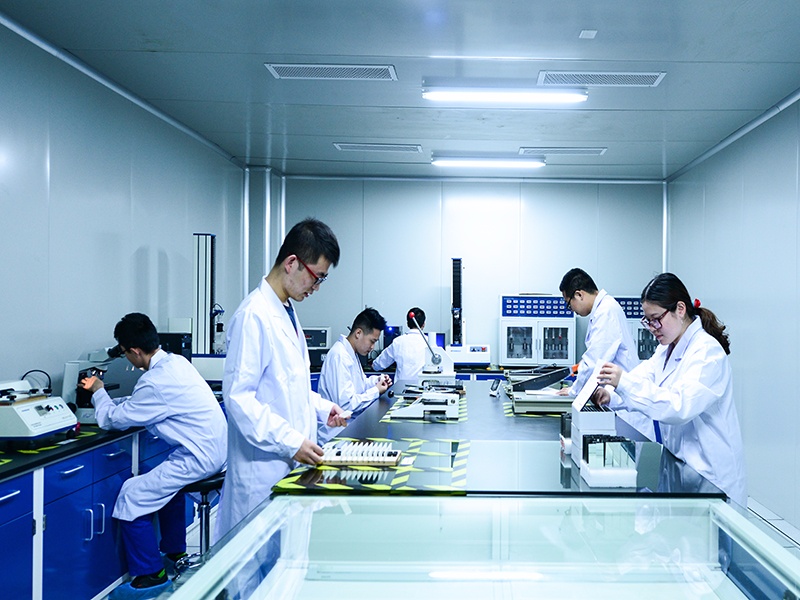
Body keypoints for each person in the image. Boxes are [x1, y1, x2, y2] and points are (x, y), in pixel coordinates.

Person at [215, 218, 350, 539]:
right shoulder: (253, 315)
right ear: (292, 263)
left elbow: (288, 385)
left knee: (286, 560)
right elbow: (239, 400)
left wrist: (322, 408)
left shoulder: (286, 310)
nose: (316, 288)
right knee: (256, 564)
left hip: (287, 466)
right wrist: (291, 442)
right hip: (261, 474)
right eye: (316, 277)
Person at [79, 313, 227, 599]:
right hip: (215, 452)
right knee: (166, 488)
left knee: (131, 495)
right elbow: (144, 402)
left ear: (135, 351)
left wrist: (98, 391)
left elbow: (111, 420)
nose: (126, 358)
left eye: (125, 353)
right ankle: (175, 552)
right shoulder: (176, 362)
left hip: (198, 457)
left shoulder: (154, 382)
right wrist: (119, 401)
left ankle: (150, 576)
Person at [592, 273, 746, 506]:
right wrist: (611, 395)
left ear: (680, 309)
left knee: (712, 530)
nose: (652, 328)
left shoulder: (707, 353)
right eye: (647, 321)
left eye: (656, 319)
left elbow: (679, 407)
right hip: (681, 468)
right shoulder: (666, 349)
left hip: (711, 475)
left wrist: (623, 383)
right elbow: (643, 378)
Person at [559, 268, 653, 438]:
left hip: (627, 412)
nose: (570, 309)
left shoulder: (606, 311)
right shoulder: (603, 309)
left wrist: (574, 391)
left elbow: (595, 361)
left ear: (579, 295)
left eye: (568, 303)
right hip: (616, 401)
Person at [317, 307, 393, 443]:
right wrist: (376, 391)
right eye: (372, 341)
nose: (373, 347)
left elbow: (360, 385)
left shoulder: (351, 353)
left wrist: (377, 381)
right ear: (358, 333)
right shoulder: (339, 356)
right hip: (336, 436)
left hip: (348, 429)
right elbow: (347, 405)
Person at [372, 307, 430, 382]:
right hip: (423, 387)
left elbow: (378, 364)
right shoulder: (430, 343)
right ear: (424, 324)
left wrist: (374, 365)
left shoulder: (398, 342)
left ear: (407, 324)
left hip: (401, 388)